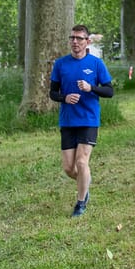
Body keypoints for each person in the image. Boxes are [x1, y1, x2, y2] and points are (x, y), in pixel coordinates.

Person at [49, 24, 114, 218]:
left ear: (88, 42)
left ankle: (80, 203)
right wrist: (64, 98)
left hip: (88, 119)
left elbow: (109, 91)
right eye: (72, 38)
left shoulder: (96, 64)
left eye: (79, 38)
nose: (75, 42)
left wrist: (90, 88)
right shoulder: (61, 64)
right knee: (69, 168)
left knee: (81, 162)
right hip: (68, 120)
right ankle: (85, 186)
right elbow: (53, 92)